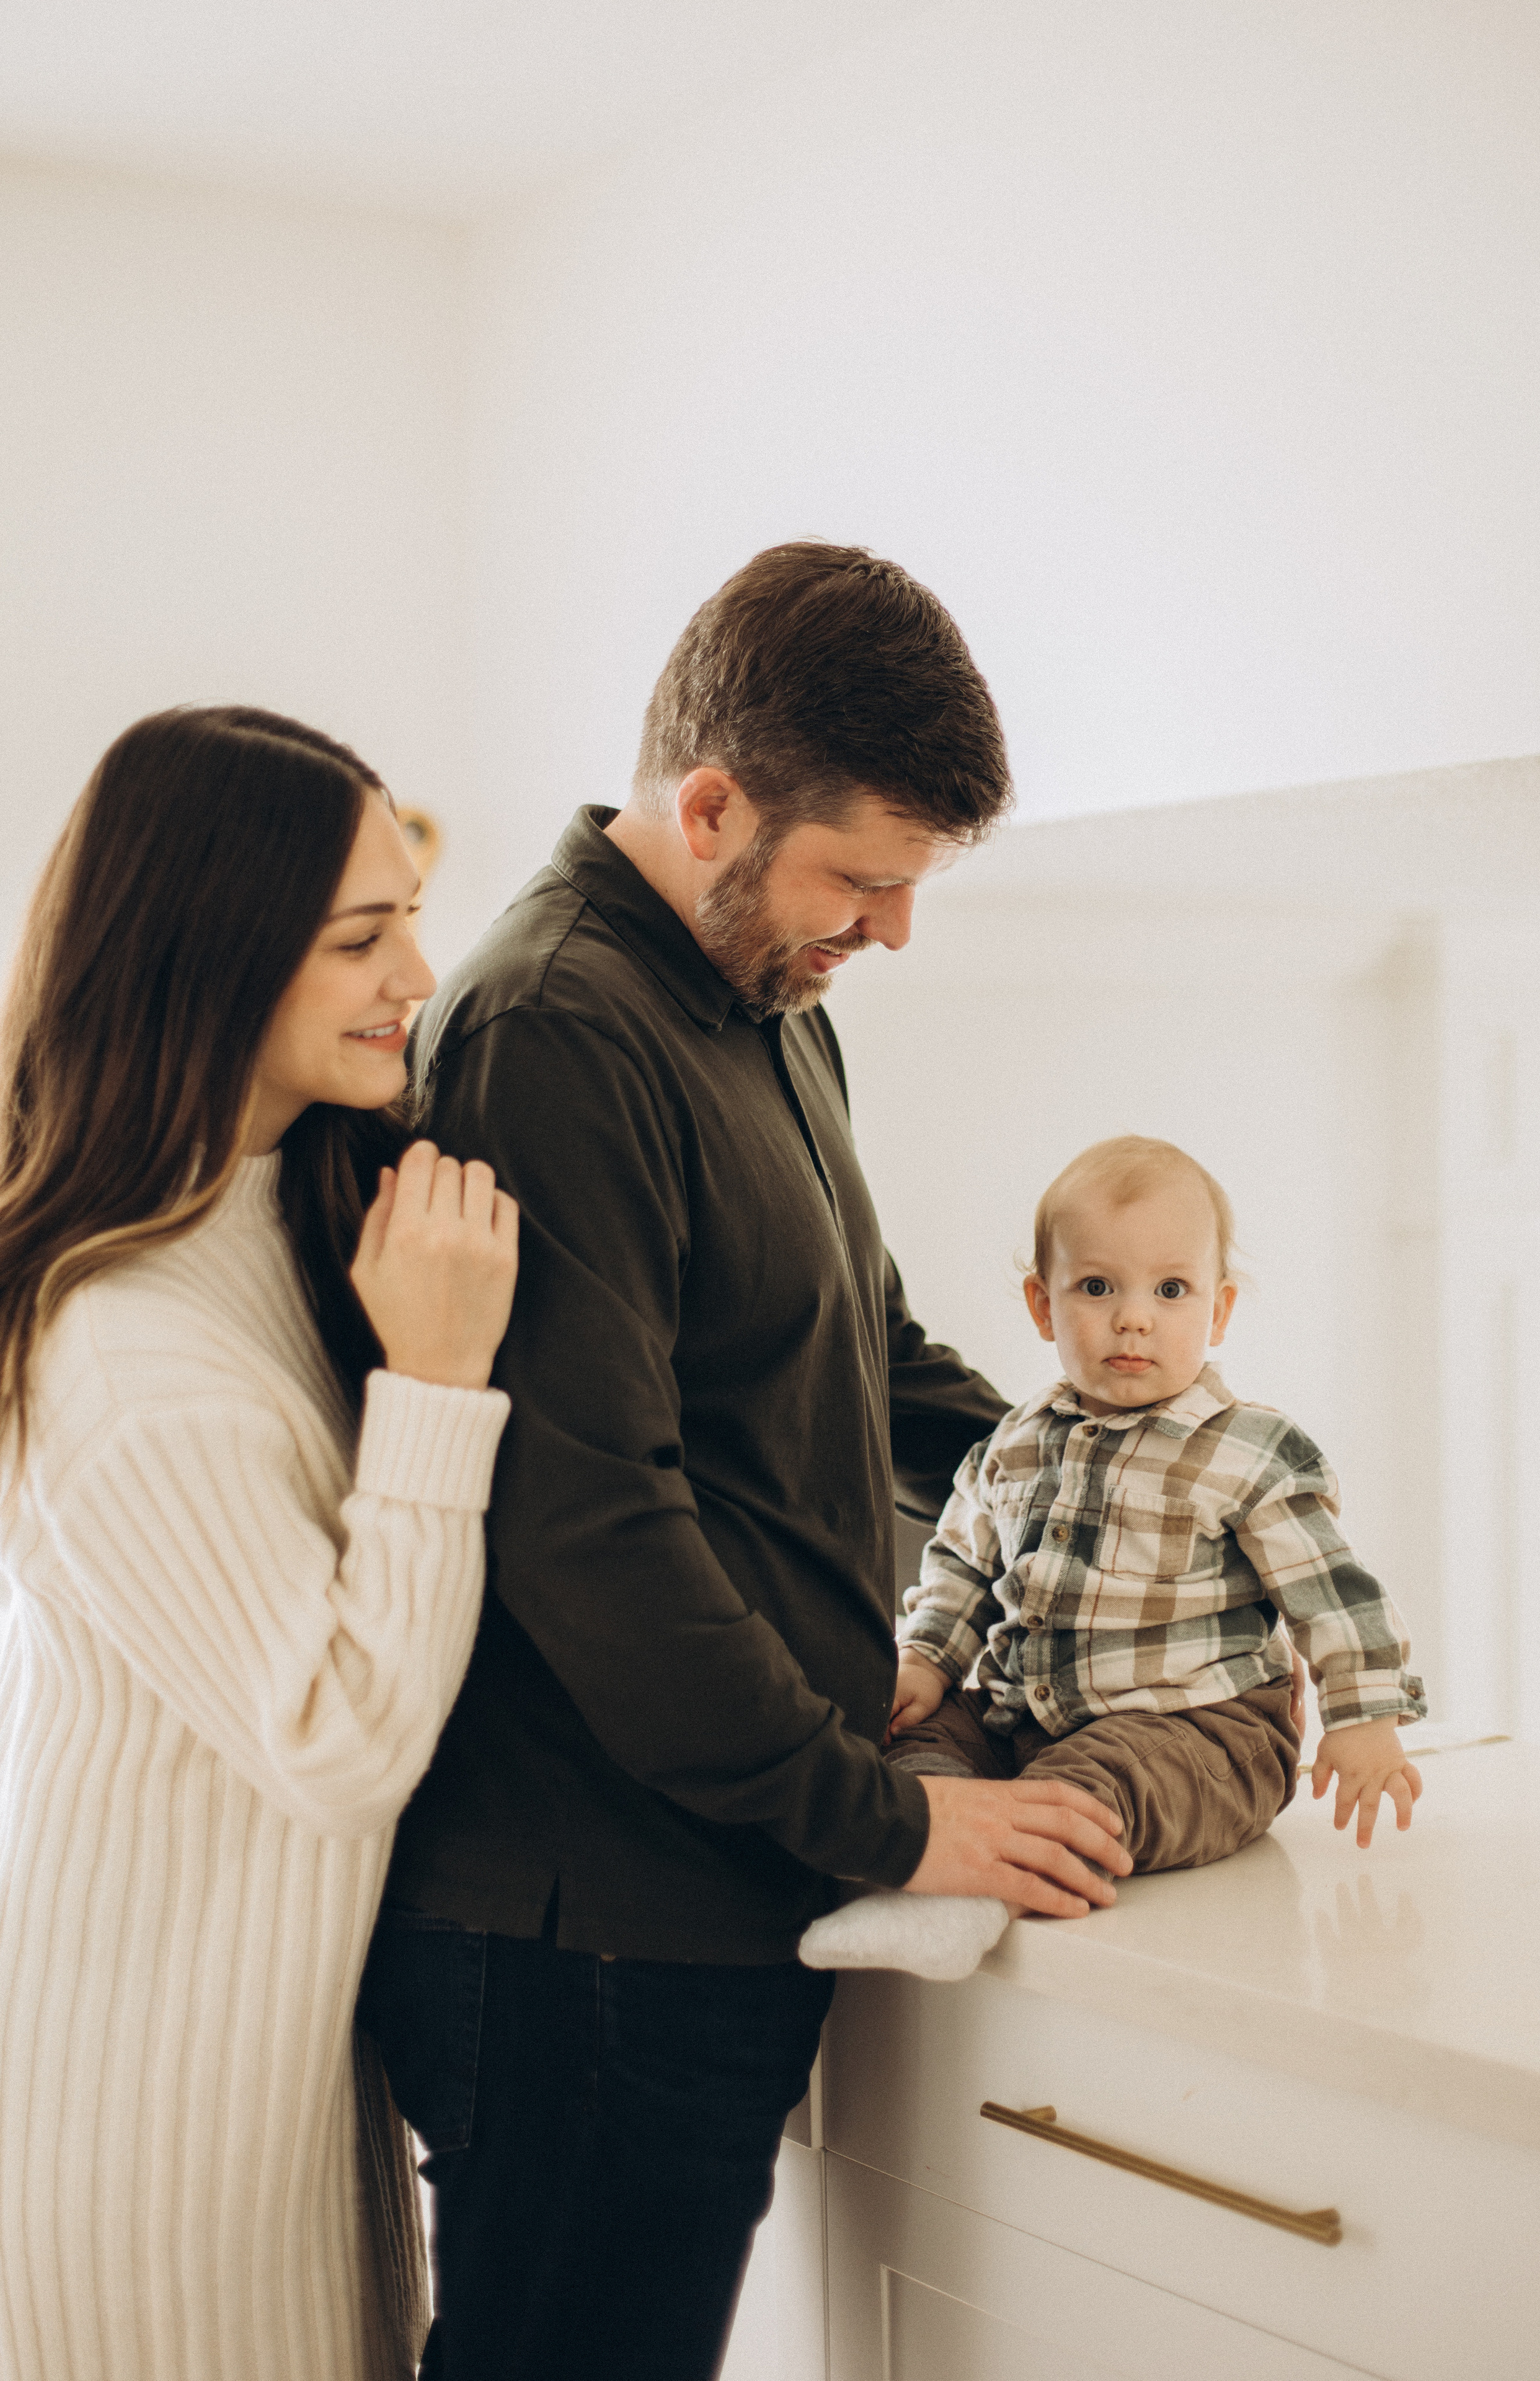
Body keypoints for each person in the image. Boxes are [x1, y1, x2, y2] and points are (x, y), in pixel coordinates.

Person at [356, 543, 1133, 2379]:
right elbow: (593, 1531)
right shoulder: (555, 1029)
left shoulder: (770, 1009)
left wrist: (1135, 1480)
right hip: (586, 1937)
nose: (894, 931)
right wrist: (892, 1819)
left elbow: (875, 1359)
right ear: (709, 809)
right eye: (861, 879)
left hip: (701, 1896)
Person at [0, 707, 520, 2381]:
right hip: (154, 2136)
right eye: (362, 939)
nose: (417, 977)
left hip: (263, 2083)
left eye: (410, 919)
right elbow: (341, 1742)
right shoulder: (126, 1357)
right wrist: (438, 1383)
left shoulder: (269, 1215)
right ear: (209, 954)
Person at [802, 1134, 1426, 1982]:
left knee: (1096, 1782)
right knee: (912, 1748)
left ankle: (971, 1901)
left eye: (1170, 1290)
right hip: (1025, 1717)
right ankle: (927, 1857)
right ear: (1042, 1305)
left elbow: (1333, 1593)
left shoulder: (1247, 1451)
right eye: (1096, 1287)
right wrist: (927, 1659)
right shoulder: (1013, 1444)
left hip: (1200, 1731)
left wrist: (1363, 1716)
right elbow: (962, 1567)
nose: (1133, 1317)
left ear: (1219, 1311)